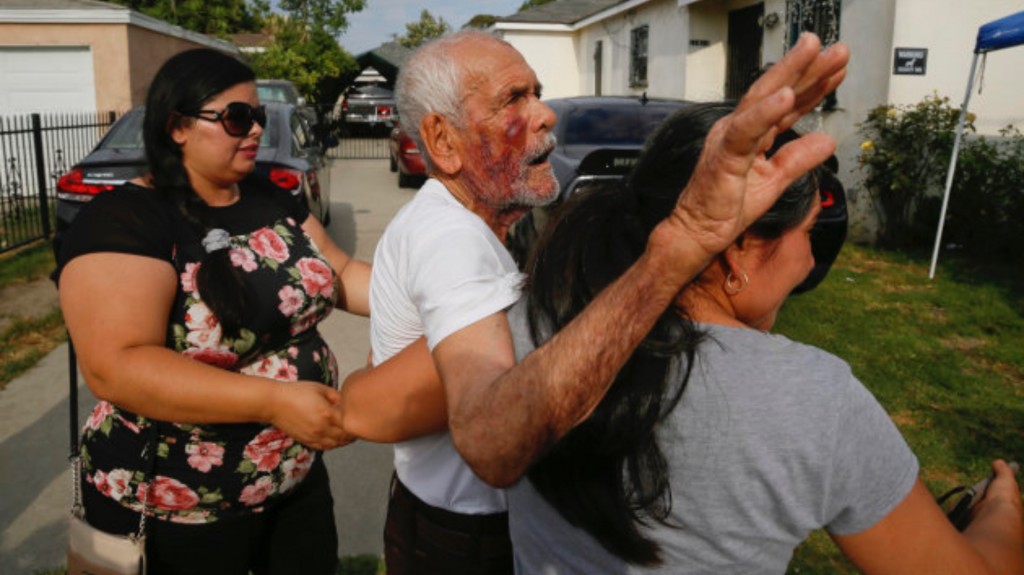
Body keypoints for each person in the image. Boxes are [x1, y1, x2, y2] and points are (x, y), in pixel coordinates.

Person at [337, 29, 848, 574]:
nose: (545, 114)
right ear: (442, 141)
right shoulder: (454, 242)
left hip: (437, 516)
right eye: (514, 99)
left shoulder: (446, 221)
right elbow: (484, 433)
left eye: (537, 92)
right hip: (467, 536)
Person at [506, 102, 1024, 574]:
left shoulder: (534, 323)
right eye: (806, 234)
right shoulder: (814, 398)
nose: (808, 260)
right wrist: (1001, 511)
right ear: (739, 251)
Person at [55, 48, 369, 574]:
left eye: (258, 118)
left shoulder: (269, 195)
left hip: (290, 480)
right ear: (178, 126)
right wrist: (275, 402)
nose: (255, 132)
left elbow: (340, 274)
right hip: (179, 508)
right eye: (237, 117)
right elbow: (117, 365)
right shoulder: (125, 220)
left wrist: (434, 298)